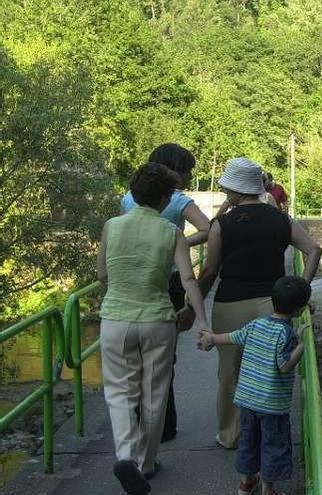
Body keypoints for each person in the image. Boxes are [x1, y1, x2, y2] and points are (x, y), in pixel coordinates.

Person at [98, 162, 210, 495]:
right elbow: (188, 279)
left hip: (115, 320)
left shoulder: (111, 226)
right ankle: (145, 465)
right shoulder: (170, 232)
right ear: (164, 199)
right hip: (158, 321)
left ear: (134, 192)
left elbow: (102, 275)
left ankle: (125, 457)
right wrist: (201, 320)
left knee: (119, 392)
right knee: (153, 393)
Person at [196, 157, 321, 449]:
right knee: (272, 370)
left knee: (229, 373)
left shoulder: (221, 225)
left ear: (236, 191)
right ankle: (267, 434)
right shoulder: (281, 219)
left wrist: (195, 304)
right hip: (272, 305)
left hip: (230, 305)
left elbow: (210, 270)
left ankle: (230, 435)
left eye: (228, 188)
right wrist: (300, 290)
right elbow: (314, 250)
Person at [121, 142, 211, 442]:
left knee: (135, 359)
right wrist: (178, 246)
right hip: (168, 280)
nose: (187, 178)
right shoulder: (177, 199)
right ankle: (164, 426)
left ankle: (135, 428)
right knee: (163, 357)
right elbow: (207, 229)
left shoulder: (128, 199)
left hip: (133, 280)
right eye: (186, 171)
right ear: (174, 170)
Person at [198, 276, 310, 495]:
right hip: (271, 405)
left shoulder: (257, 324)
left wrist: (212, 338)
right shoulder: (286, 333)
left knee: (248, 442)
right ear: (299, 309)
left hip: (247, 400)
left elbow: (233, 337)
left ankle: (246, 482)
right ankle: (268, 490)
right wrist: (302, 345)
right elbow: (284, 365)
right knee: (273, 446)